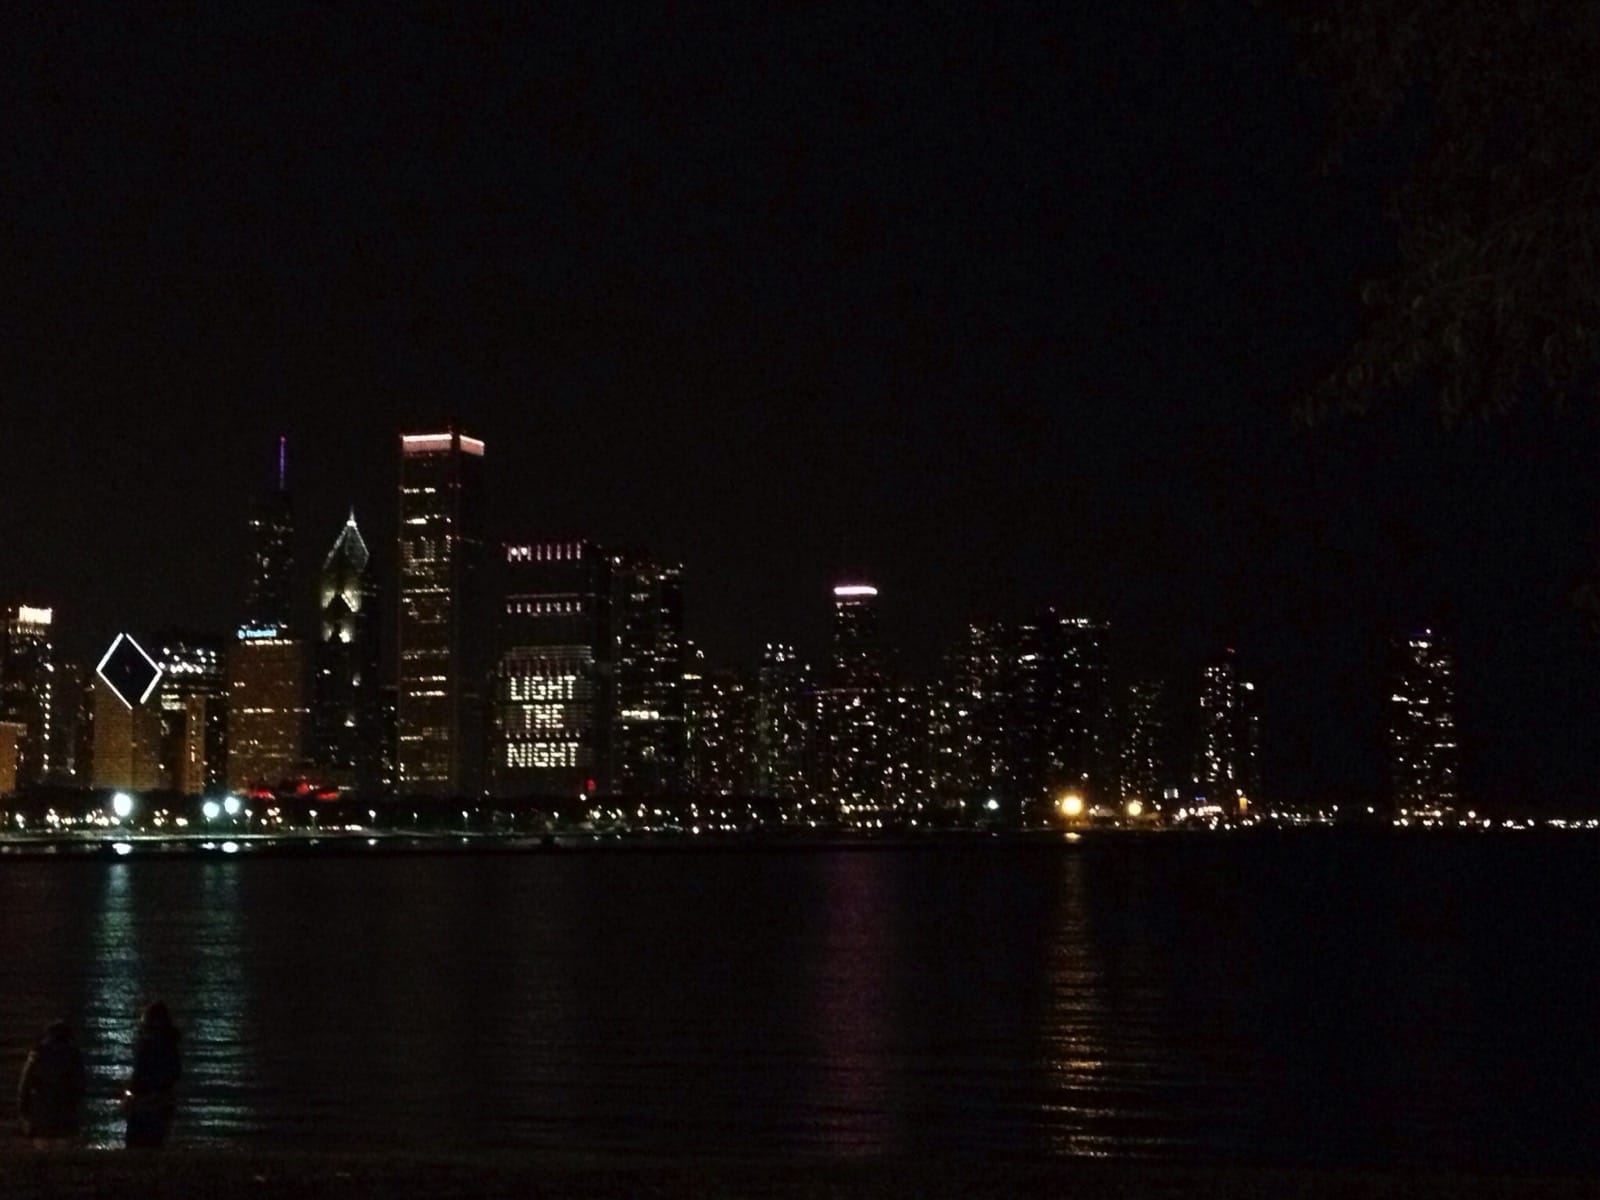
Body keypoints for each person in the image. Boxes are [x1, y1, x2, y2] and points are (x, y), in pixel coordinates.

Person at [16, 1020, 86, 1146]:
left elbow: (24, 1086)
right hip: (66, 1117)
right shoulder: (73, 1055)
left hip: (42, 1117)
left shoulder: (37, 1054)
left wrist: (24, 1114)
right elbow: (80, 1087)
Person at [123, 1001, 182, 1149]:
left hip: (145, 1103)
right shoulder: (171, 1044)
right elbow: (175, 1073)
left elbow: (139, 1074)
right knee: (156, 1143)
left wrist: (131, 1095)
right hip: (162, 1101)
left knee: (137, 1144)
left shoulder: (147, 1045)